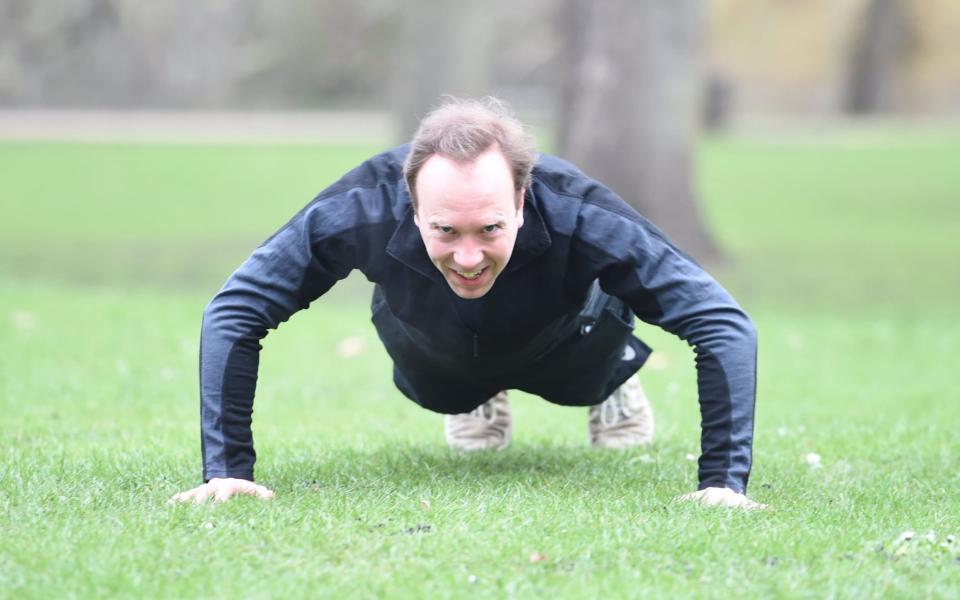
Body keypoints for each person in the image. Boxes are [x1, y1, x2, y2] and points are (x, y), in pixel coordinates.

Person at [170, 97, 763, 510]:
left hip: (571, 338)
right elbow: (234, 310)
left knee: (582, 372)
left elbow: (723, 324)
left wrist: (723, 483)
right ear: (409, 200)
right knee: (444, 386)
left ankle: (613, 385)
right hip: (433, 346)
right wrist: (226, 471)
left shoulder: (582, 210)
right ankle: (476, 392)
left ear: (524, 199)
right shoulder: (359, 206)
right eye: (446, 231)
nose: (470, 256)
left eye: (489, 229)